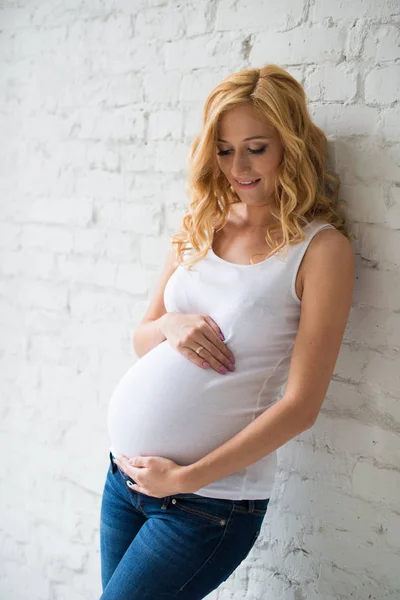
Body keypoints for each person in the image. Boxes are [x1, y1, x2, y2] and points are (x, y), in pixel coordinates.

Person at [99, 64, 354, 599]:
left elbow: (301, 407)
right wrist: (170, 325)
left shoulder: (320, 250)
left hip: (206, 504)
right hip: (124, 482)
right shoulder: (199, 224)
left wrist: (184, 480)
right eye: (223, 148)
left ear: (290, 144)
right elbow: (142, 337)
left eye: (256, 147)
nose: (237, 166)